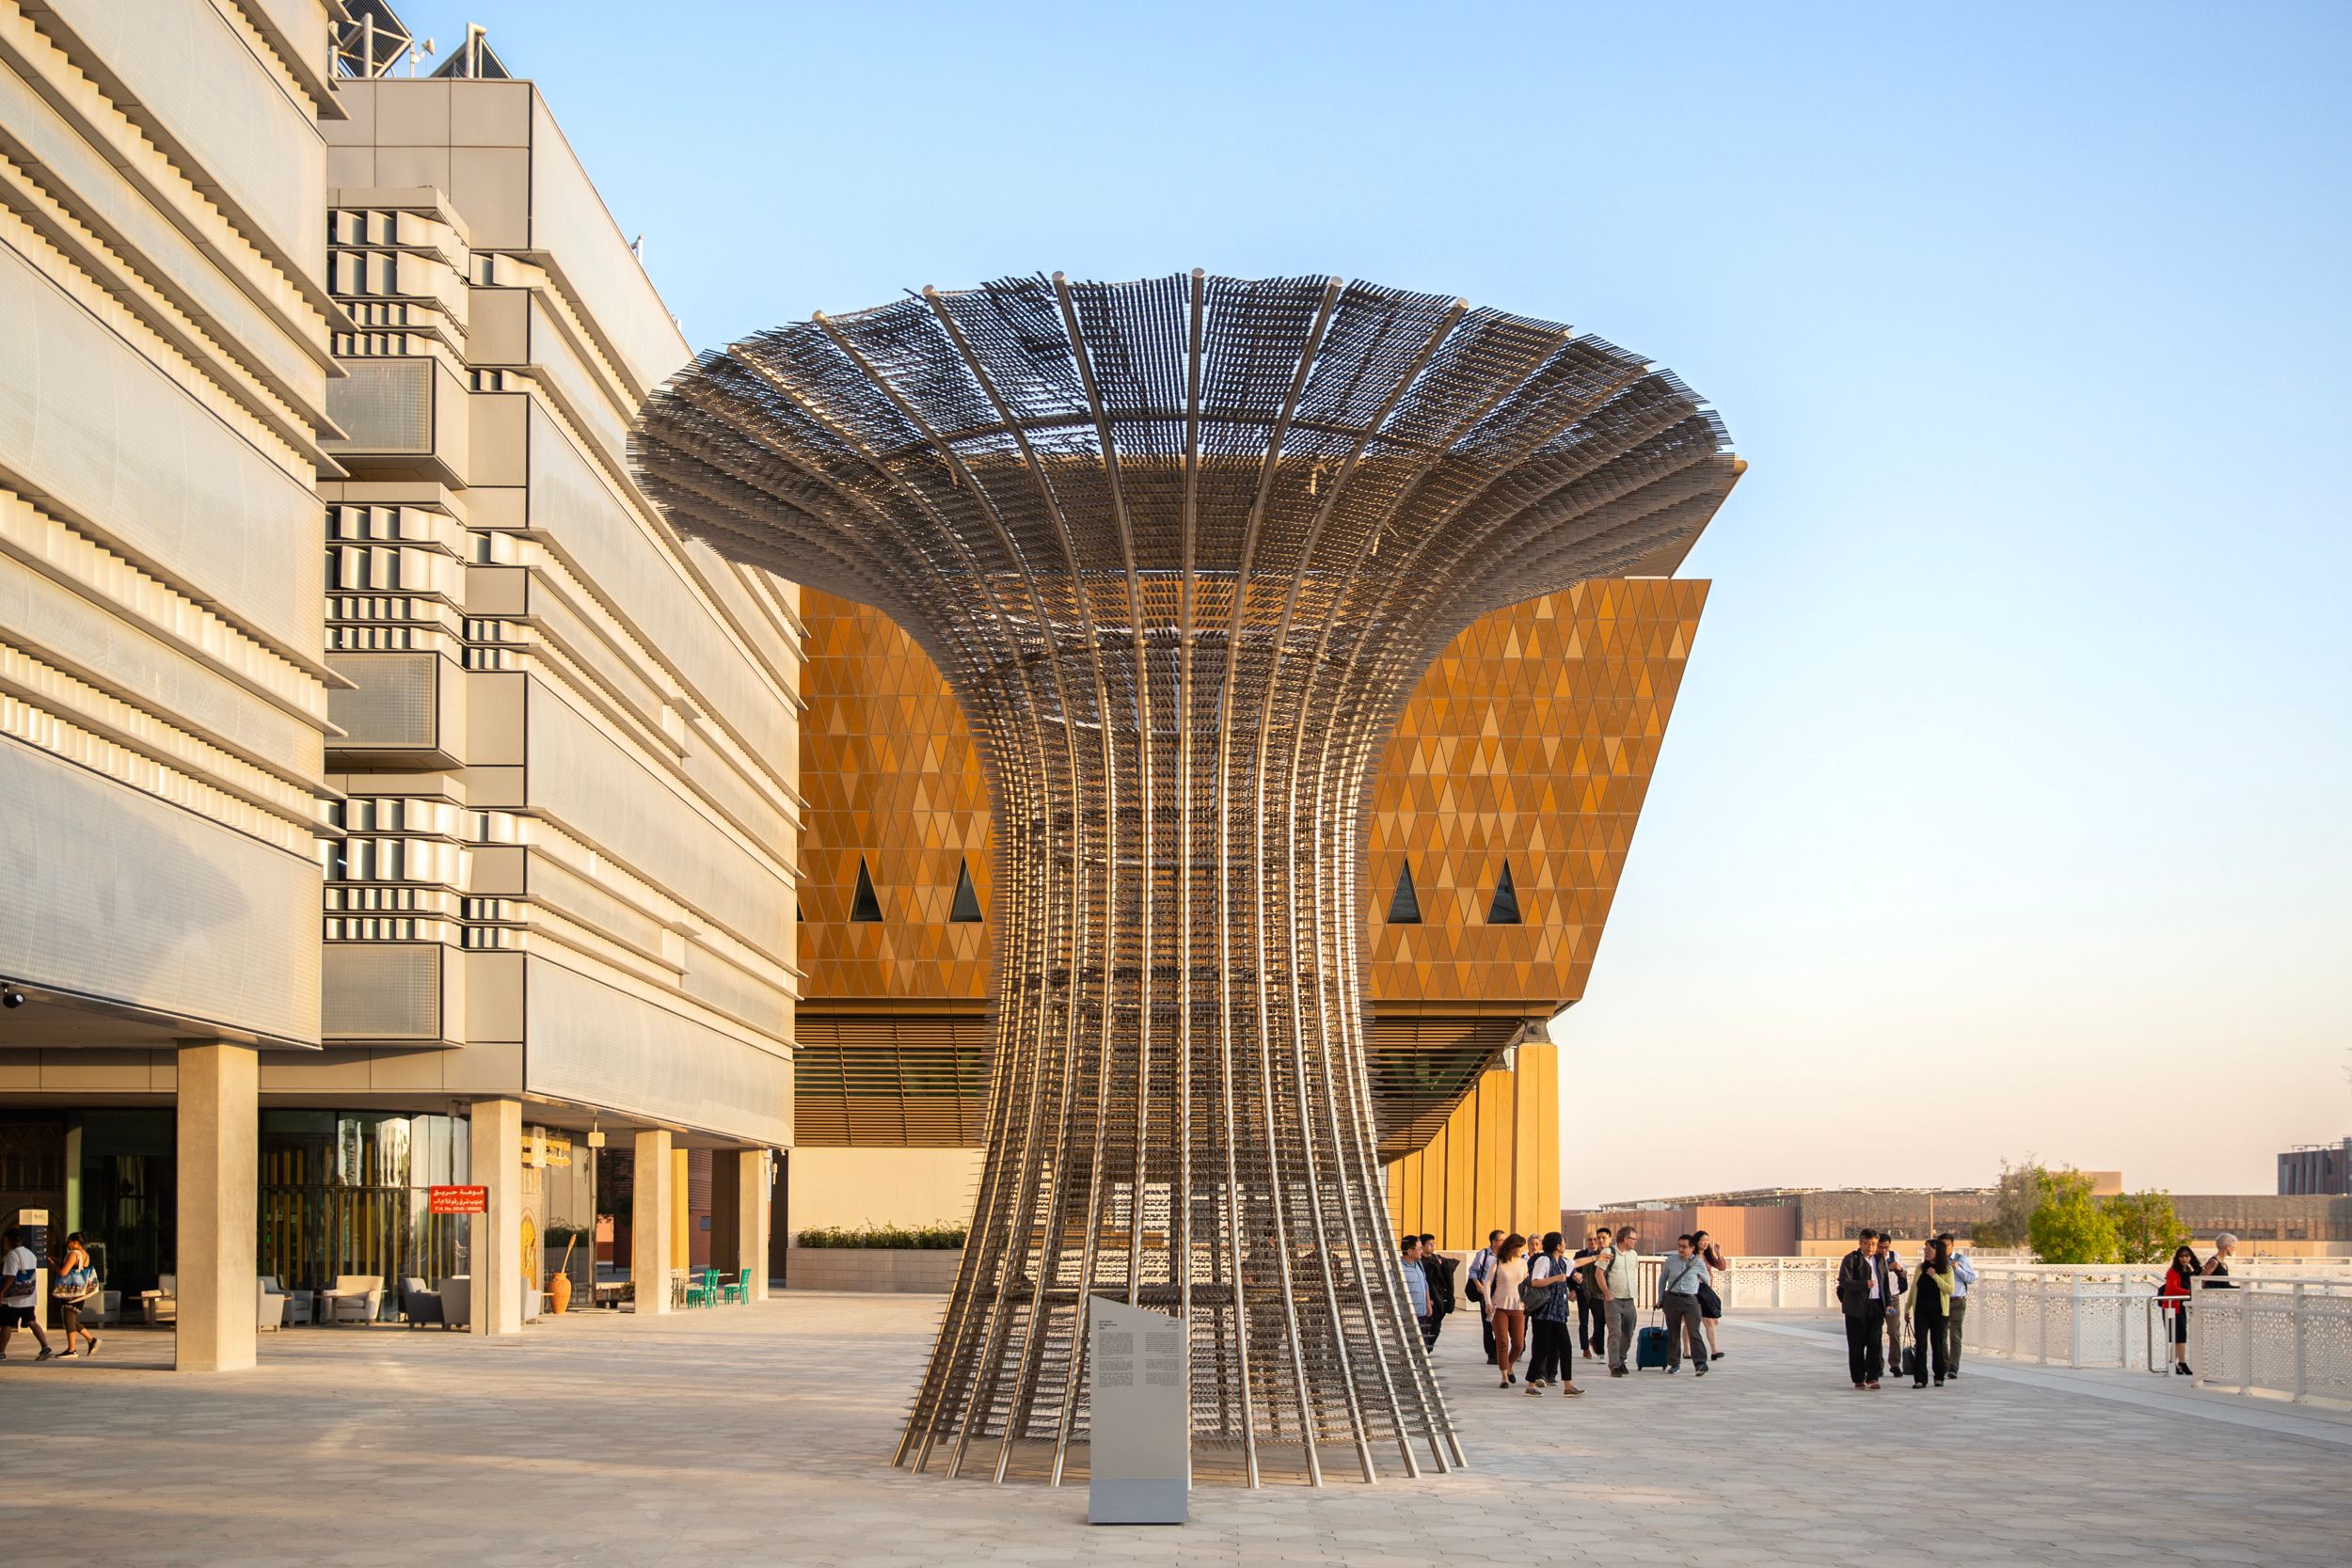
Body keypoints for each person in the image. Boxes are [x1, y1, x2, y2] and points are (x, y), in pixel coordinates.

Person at [1521, 1232, 1583, 1396]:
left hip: (1558, 1312)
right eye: (1563, 1242)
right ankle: (1531, 1384)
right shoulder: (1544, 1260)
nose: (1565, 1244)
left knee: (1566, 1347)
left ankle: (1568, 1385)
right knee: (1541, 1349)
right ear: (1557, 1245)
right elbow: (1535, 1281)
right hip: (1544, 1312)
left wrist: (1597, 1257)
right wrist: (1555, 1278)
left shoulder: (1563, 1262)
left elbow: (1576, 1263)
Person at [1836, 1229, 1889, 1389]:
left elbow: (1884, 1282)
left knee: (1875, 1343)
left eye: (1873, 1244)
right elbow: (1844, 1281)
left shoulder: (1880, 1259)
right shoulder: (1852, 1259)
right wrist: (1863, 1285)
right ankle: (1858, 1378)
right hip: (1856, 1308)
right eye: (1867, 1243)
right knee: (1856, 1344)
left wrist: (1889, 1302)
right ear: (1860, 1243)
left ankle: (1872, 1377)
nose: (1870, 1247)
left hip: (1876, 1305)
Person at [1, 1224, 58, 1362]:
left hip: (13, 1299)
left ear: (9, 1240)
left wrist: (2, 1292)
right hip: (28, 1295)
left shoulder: (12, 1255)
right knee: (31, 1321)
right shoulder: (30, 1254)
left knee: (6, 1324)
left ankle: (1, 1352)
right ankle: (45, 1347)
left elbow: (11, 1276)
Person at [1657, 1234, 1710, 1376]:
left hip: (1690, 1301)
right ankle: (1674, 1363)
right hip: (1672, 1299)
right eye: (1679, 1246)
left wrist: (1696, 1285)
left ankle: (1700, 1364)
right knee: (1673, 1333)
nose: (1680, 1249)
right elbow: (1663, 1280)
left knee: (1694, 1332)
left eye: (1684, 1247)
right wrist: (1660, 1298)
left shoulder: (1699, 1263)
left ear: (1692, 1248)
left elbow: (1707, 1281)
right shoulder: (1671, 1260)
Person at [1486, 1233, 1530, 1388]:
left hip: (1518, 1307)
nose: (1521, 1250)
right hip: (1499, 1308)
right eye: (1519, 1247)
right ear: (1512, 1247)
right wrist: (1488, 1302)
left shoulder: (1523, 1263)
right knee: (1502, 1342)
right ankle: (1504, 1377)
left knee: (1519, 1344)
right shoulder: (1498, 1262)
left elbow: (1527, 1283)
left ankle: (1509, 1365)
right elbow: (1487, 1283)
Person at [1909, 1238, 1954, 1387]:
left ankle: (1939, 1375)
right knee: (1920, 1345)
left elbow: (1949, 1289)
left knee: (1938, 1344)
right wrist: (1908, 1308)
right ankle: (1920, 1378)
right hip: (1921, 1311)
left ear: (1938, 1251)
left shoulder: (1946, 1269)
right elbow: (1914, 1288)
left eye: (1930, 1249)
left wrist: (1935, 1276)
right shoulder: (1920, 1268)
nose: (1926, 1251)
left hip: (1939, 1312)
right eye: (1925, 1248)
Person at [53, 1230, 103, 1358]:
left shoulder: (73, 1254)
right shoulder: (85, 1254)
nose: (67, 1244)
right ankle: (91, 1340)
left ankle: (72, 1349)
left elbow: (63, 1273)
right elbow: (75, 1269)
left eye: (69, 1241)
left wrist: (53, 1265)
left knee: (69, 1319)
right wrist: (59, 1262)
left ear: (75, 1242)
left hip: (71, 1292)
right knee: (71, 1319)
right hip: (80, 1292)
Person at [1599, 1226, 1641, 1378]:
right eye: (1634, 1239)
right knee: (1614, 1332)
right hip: (1613, 1299)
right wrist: (1607, 1293)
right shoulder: (1608, 1252)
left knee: (1628, 1332)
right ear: (1625, 1239)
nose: (1636, 1242)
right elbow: (1599, 1274)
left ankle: (1621, 1359)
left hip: (1629, 1299)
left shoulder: (1633, 1255)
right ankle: (1614, 1365)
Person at [2158, 1243, 2201, 1376]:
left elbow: (2199, 1273)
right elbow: (2171, 1288)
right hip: (2172, 1306)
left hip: (2180, 1306)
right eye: (2182, 1256)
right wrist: (2189, 1292)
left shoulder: (2187, 1271)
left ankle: (2175, 1363)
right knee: (2177, 1336)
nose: (2184, 1259)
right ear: (2177, 1258)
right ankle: (2180, 1363)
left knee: (2179, 1336)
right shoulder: (2173, 1271)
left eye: (2187, 1256)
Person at [1939, 1231, 1974, 1376]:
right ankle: (1945, 1364)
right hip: (1941, 1301)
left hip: (1957, 1301)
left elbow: (1971, 1278)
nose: (1943, 1248)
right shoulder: (1936, 1260)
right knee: (1941, 1335)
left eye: (1946, 1245)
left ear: (1952, 1245)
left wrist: (1957, 1268)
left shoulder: (1962, 1259)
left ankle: (1954, 1366)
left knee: (1955, 1335)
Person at [1571, 1228, 1609, 1361]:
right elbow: (1577, 1273)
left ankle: (1595, 1342)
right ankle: (1592, 1350)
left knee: (1602, 1323)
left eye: (1598, 1238)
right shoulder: (1587, 1256)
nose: (1596, 1241)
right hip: (1588, 1294)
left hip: (1605, 1294)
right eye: (1593, 1239)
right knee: (1588, 1322)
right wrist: (1574, 1289)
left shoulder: (1611, 1254)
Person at [1467, 1229, 1502, 1364]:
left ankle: (1498, 1350)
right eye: (1501, 1240)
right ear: (1494, 1242)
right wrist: (1479, 1285)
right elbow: (1473, 1271)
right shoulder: (1484, 1254)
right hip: (1486, 1293)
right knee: (1488, 1324)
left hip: (1500, 1294)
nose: (1504, 1242)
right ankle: (1491, 1354)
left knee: (1500, 1324)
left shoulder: (1505, 1256)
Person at [1692, 1227, 1728, 1361]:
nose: (1705, 1243)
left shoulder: (1708, 1256)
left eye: (1707, 1240)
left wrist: (1718, 1252)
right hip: (1692, 1292)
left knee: (1708, 1321)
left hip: (1706, 1292)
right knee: (1691, 1322)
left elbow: (1722, 1267)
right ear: (1696, 1242)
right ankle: (1686, 1350)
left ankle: (1714, 1350)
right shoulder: (1691, 1255)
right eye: (1703, 1240)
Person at [1418, 1234, 1455, 1352]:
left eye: (1433, 1243)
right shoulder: (1418, 1262)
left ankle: (1427, 1347)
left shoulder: (1439, 1260)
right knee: (1423, 1326)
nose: (1432, 1246)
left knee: (1436, 1326)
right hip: (1424, 1298)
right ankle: (1423, 1348)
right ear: (1422, 1246)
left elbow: (1448, 1280)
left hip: (1439, 1299)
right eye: (1429, 1244)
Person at [1883, 1238, 1910, 1379]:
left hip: (1891, 1301)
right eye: (1881, 1247)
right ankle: (1876, 1364)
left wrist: (1899, 1269)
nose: (1884, 1250)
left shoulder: (1895, 1256)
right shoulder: (1871, 1258)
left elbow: (1905, 1275)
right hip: (1875, 1300)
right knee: (1874, 1332)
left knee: (1893, 1331)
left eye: (1886, 1247)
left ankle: (1895, 1364)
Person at [1400, 1236, 1432, 1340]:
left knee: (1421, 1344)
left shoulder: (1419, 1264)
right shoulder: (1398, 1269)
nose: (1421, 1251)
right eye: (1419, 1249)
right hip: (1408, 1315)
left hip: (1421, 1313)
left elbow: (1425, 1284)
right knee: (1411, 1345)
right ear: (1409, 1251)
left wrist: (1428, 1304)